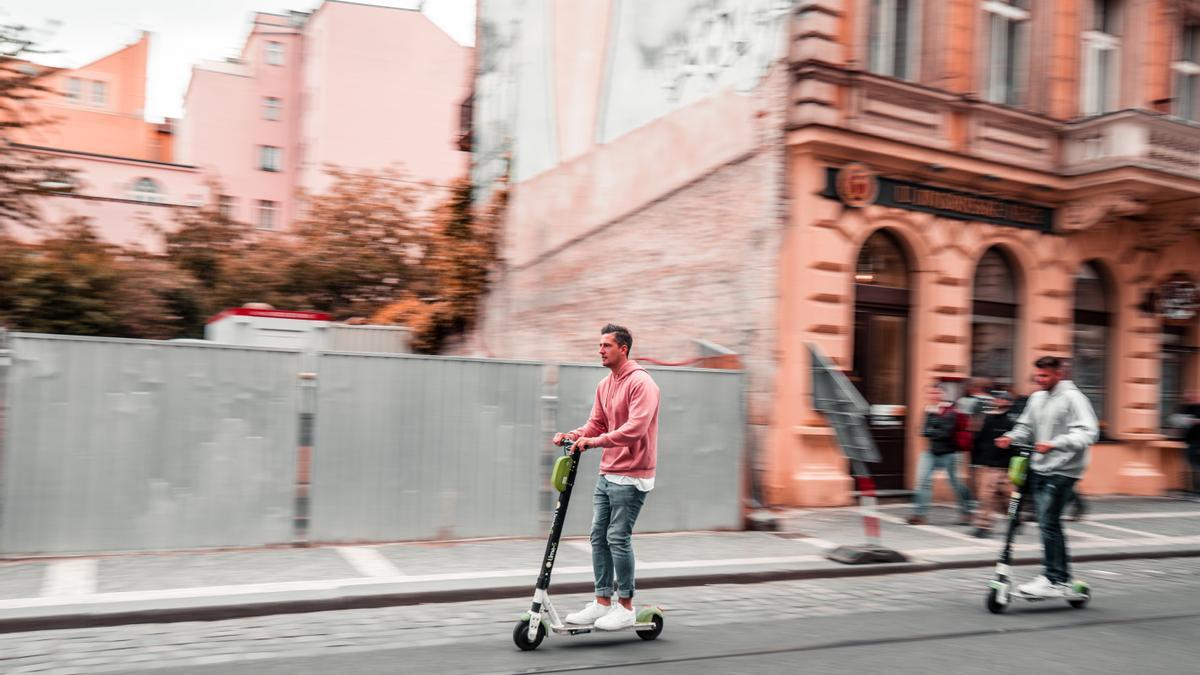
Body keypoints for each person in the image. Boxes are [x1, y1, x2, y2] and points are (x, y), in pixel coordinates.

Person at [553, 324, 661, 631]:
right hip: (609, 471)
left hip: (633, 473)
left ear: (623, 348)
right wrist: (573, 435)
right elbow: (596, 423)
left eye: (606, 345)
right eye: (600, 345)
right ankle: (602, 602)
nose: (600, 350)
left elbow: (635, 430)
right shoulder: (605, 384)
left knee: (618, 537)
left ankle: (625, 605)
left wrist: (595, 442)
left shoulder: (642, 384)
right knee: (597, 536)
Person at [996, 356, 1099, 598]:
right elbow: (1026, 427)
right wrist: (1012, 437)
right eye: (1038, 376)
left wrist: (1055, 444)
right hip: (1040, 467)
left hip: (1064, 470)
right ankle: (1061, 578)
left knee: (1048, 521)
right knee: (1050, 523)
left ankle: (1054, 579)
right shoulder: (1037, 398)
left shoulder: (1074, 399)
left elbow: (1088, 433)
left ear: (1058, 374)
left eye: (1045, 376)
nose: (1040, 380)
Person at [907, 382, 974, 526]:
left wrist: (933, 427)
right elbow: (923, 431)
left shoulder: (951, 411)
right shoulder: (929, 410)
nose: (933, 396)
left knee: (956, 484)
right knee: (922, 482)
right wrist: (933, 428)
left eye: (936, 393)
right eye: (930, 393)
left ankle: (968, 511)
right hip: (931, 452)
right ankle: (919, 515)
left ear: (942, 394)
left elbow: (945, 433)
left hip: (951, 454)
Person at [970, 391, 1017, 538]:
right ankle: (983, 526)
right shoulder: (988, 419)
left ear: (1009, 403)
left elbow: (1017, 444)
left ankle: (1015, 519)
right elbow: (979, 440)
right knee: (986, 496)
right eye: (997, 399)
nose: (999, 401)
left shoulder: (1012, 421)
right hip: (990, 465)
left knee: (1010, 498)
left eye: (1003, 400)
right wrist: (977, 460)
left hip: (1008, 466)